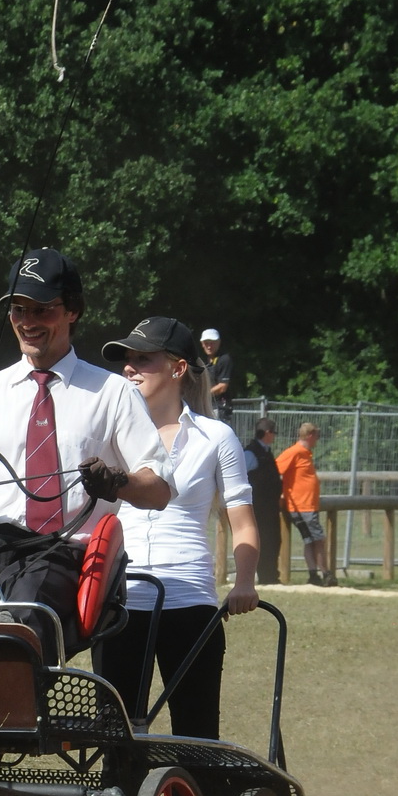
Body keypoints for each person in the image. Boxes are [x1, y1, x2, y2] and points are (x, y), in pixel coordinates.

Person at [0, 248, 173, 653]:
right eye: (18, 310)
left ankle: (14, 711)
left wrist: (117, 481)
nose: (28, 322)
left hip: (57, 549)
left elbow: (158, 492)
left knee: (25, 621)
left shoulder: (113, 393)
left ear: (73, 310)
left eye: (42, 309)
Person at [95, 317, 259, 739]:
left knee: (196, 734)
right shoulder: (107, 437)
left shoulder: (216, 437)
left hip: (189, 600)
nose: (129, 369)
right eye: (126, 361)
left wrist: (244, 583)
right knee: (115, 737)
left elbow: (242, 523)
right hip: (121, 600)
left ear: (178, 368)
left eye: (143, 359)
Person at [276, 422, 334, 586]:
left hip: (308, 506)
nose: (318, 440)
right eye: (317, 436)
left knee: (310, 540)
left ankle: (313, 575)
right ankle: (326, 574)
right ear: (310, 436)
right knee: (319, 540)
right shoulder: (294, 452)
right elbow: (275, 470)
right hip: (302, 507)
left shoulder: (306, 453)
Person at [243, 416, 283, 584]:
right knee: (264, 541)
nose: (274, 436)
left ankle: (271, 576)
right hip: (258, 508)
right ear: (267, 433)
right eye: (273, 432)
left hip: (270, 507)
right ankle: (265, 577)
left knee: (274, 540)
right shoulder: (250, 453)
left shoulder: (266, 452)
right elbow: (242, 478)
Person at [200, 329, 233, 421]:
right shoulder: (205, 361)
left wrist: (202, 394)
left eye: (212, 343)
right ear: (202, 344)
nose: (209, 346)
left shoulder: (224, 359)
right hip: (207, 406)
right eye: (206, 343)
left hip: (220, 408)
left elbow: (223, 386)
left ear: (219, 342)